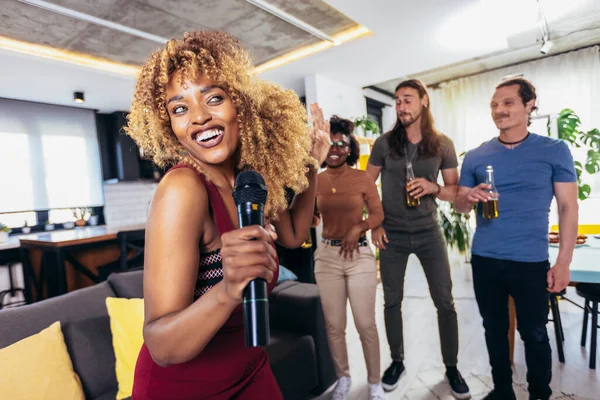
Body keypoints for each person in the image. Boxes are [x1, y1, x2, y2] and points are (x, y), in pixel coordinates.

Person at [123, 31, 330, 399]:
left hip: (250, 368)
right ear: (168, 125)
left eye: (213, 98)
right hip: (185, 389)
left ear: (241, 104)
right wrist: (229, 289)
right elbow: (162, 345)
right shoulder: (183, 190)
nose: (199, 117)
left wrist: (312, 165)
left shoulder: (252, 181)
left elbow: (294, 233)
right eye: (179, 108)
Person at [454, 77, 578, 400]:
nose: (499, 110)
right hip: (485, 259)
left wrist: (563, 262)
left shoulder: (554, 150)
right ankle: (503, 391)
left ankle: (539, 393)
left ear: (529, 105)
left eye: (508, 103)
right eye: (495, 105)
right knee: (494, 331)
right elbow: (459, 205)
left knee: (534, 332)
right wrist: (469, 198)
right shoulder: (477, 156)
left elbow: (568, 206)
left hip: (530, 261)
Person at [366, 79, 470, 398]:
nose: (401, 107)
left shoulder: (442, 144)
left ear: (424, 101)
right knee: (392, 300)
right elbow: (366, 187)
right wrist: (375, 225)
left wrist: (433, 187)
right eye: (397, 101)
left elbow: (455, 192)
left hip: (429, 233)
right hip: (392, 235)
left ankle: (451, 367)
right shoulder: (384, 143)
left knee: (445, 302)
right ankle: (397, 362)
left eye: (407, 100)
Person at [312, 116, 385, 400]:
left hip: (359, 256)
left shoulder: (362, 177)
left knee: (366, 323)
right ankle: (343, 377)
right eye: (330, 142)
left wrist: (359, 226)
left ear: (349, 147)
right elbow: (311, 218)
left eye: (341, 142)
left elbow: (378, 214)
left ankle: (375, 382)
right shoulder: (315, 180)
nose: (335, 148)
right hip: (327, 257)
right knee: (334, 326)